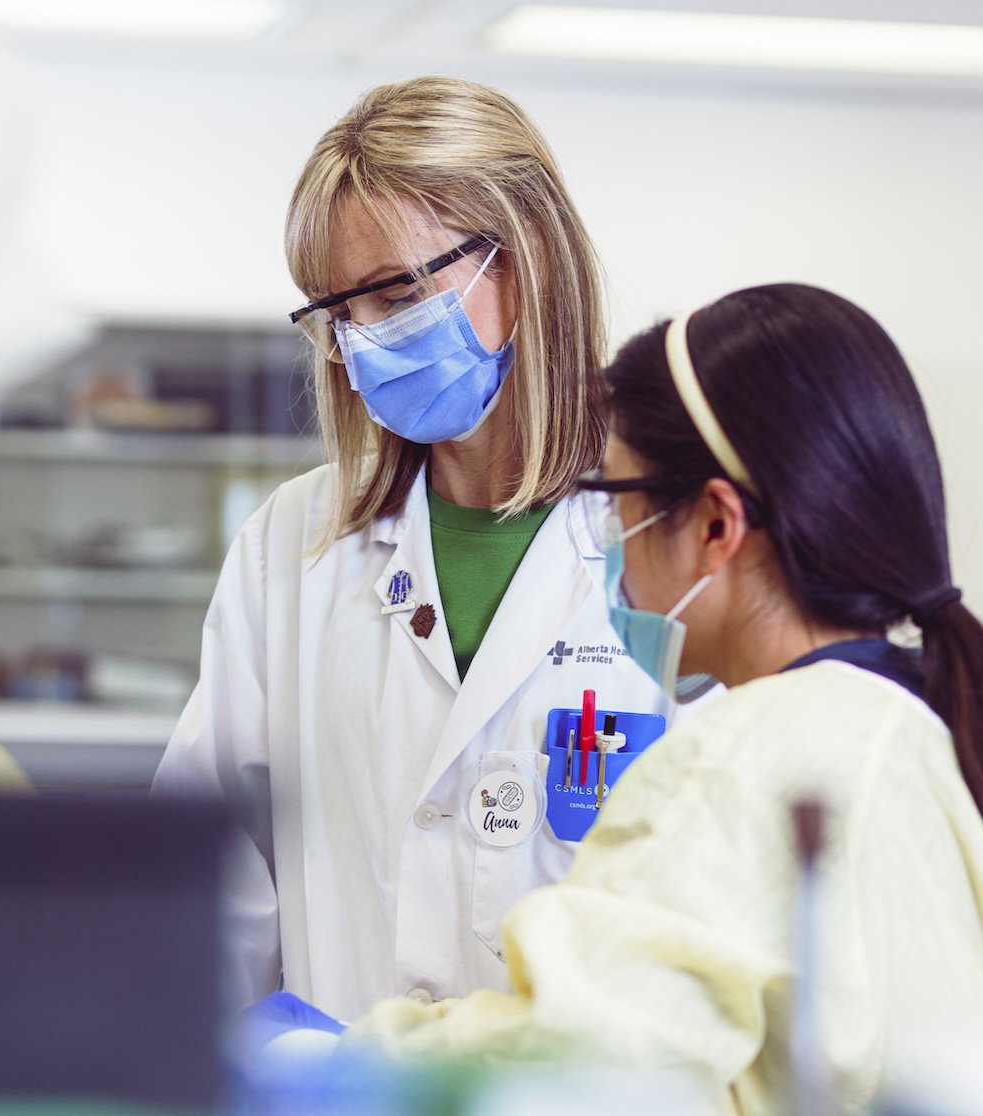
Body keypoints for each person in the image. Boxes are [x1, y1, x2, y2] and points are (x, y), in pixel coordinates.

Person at [339, 283, 983, 1113]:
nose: (610, 552)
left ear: (716, 527)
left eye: (616, 507)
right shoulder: (916, 734)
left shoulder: (744, 759)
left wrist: (341, 1060)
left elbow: (565, 1057)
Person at [151, 76, 691, 1021]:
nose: (363, 342)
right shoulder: (293, 546)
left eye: (396, 292)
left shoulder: (670, 537)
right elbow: (203, 879)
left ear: (526, 258)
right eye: (336, 312)